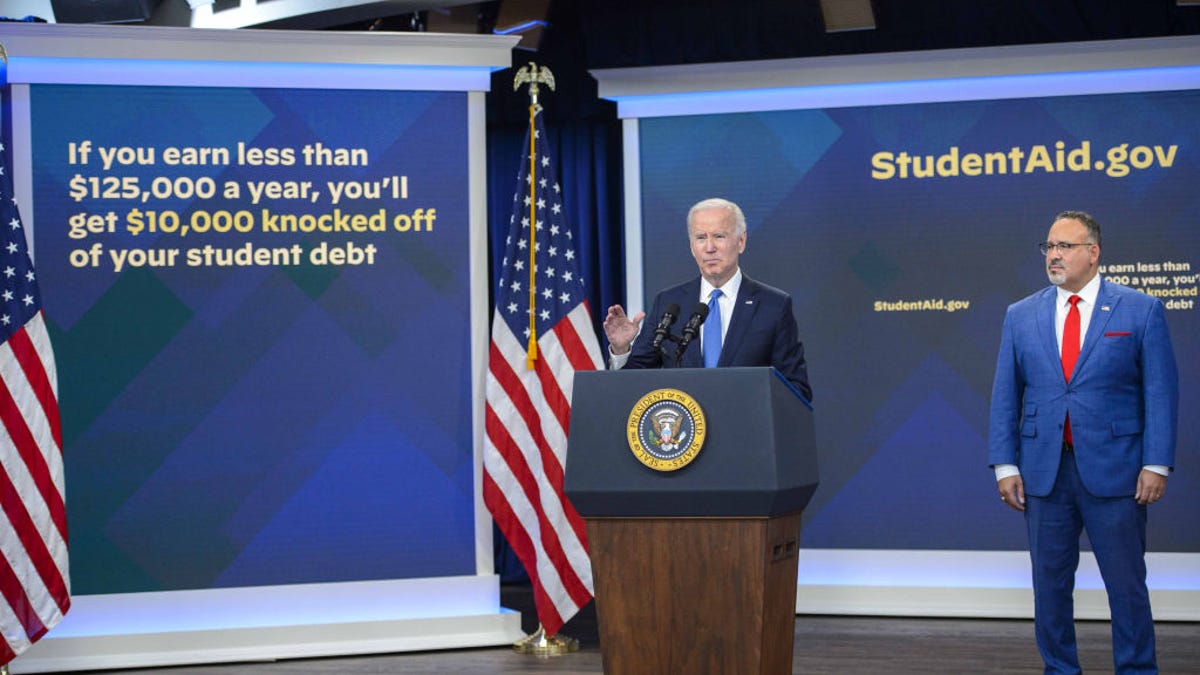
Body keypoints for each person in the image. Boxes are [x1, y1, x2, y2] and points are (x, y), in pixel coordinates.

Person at [988, 210, 1178, 674]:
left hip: (1117, 472)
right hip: (1044, 474)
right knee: (1049, 587)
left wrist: (1157, 463)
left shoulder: (1140, 309)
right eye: (1049, 247)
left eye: (1065, 246)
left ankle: (1136, 669)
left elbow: (1160, 392)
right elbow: (1005, 393)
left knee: (1126, 586)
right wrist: (1005, 465)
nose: (1054, 255)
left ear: (1093, 253)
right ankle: (1060, 669)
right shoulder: (1021, 314)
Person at [603, 197, 811, 401]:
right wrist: (621, 349)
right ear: (692, 246)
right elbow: (633, 381)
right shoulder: (668, 303)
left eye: (719, 236)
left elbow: (796, 389)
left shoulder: (773, 305)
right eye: (701, 238)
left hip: (747, 430)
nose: (709, 248)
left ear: (741, 241)